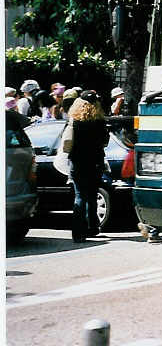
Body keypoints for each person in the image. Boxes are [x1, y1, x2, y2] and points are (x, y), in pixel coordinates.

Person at [65, 90, 108, 242]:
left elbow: (67, 141)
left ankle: (78, 232)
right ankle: (92, 227)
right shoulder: (100, 121)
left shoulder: (74, 121)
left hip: (77, 162)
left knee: (79, 196)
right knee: (91, 195)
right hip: (95, 162)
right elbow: (105, 142)